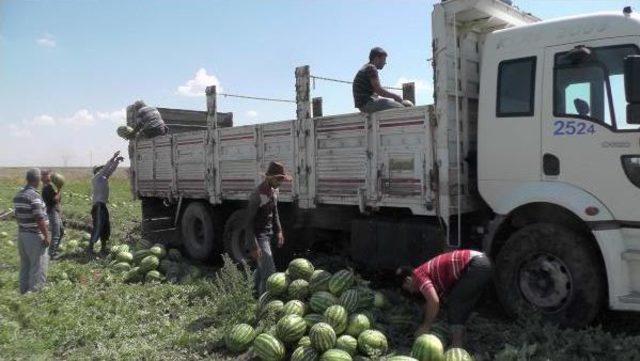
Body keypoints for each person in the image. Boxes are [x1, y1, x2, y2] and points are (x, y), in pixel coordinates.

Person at [396, 249, 492, 347]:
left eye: (408, 289)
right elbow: (432, 303)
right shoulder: (429, 274)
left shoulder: (419, 275)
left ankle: (457, 345)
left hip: (476, 264)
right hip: (481, 263)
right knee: (463, 302)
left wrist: (425, 326)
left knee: (455, 302)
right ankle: (461, 339)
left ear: (408, 280)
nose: (411, 292)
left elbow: (434, 302)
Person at [244, 161, 292, 295]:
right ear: (270, 177)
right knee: (270, 273)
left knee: (262, 268)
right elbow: (248, 223)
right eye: (279, 179)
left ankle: (251, 294)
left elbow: (275, 212)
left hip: (268, 234)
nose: (281, 182)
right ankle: (264, 305)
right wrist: (253, 246)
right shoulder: (257, 194)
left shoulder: (274, 191)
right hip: (259, 237)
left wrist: (280, 231)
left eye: (282, 179)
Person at [13, 168, 50, 293]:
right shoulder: (34, 196)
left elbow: (17, 216)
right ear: (38, 180)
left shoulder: (18, 195)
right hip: (34, 236)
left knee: (25, 265)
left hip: (22, 235)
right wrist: (46, 235)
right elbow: (39, 218)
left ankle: (23, 291)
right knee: (38, 266)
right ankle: (35, 296)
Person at [89, 151, 125, 258]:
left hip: (102, 206)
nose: (103, 170)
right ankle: (90, 248)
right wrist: (113, 157)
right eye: (100, 169)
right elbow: (106, 169)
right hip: (98, 207)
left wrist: (117, 162)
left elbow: (110, 170)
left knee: (105, 227)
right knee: (98, 226)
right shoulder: (96, 178)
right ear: (97, 171)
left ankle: (103, 248)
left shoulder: (103, 178)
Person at [353, 47, 405, 113]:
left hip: (363, 104)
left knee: (394, 105)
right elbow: (379, 90)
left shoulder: (366, 67)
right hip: (367, 104)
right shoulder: (371, 68)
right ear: (377, 58)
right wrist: (395, 96)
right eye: (384, 60)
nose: (385, 63)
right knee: (402, 108)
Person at [41, 170, 63, 259]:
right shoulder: (47, 188)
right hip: (52, 212)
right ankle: (51, 254)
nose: (50, 177)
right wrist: (59, 188)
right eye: (48, 175)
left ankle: (54, 251)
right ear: (44, 177)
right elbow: (56, 199)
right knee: (56, 233)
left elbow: (58, 200)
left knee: (61, 232)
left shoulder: (49, 187)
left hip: (54, 211)